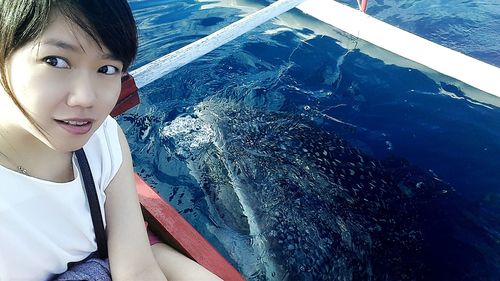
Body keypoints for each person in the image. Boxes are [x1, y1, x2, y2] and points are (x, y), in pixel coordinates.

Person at [0, 0, 222, 280]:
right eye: (55, 61)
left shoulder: (103, 138)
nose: (86, 98)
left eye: (107, 69)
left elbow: (138, 270)